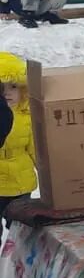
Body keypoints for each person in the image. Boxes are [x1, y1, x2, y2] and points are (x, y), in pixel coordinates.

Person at [0, 52, 33, 221]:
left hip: (21, 182)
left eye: (13, 86)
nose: (7, 93)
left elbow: (37, 152)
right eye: (1, 87)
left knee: (20, 229)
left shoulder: (28, 117)